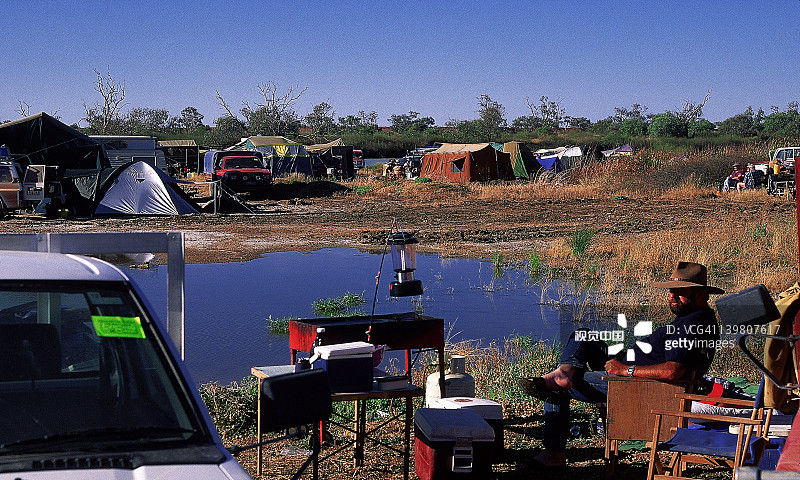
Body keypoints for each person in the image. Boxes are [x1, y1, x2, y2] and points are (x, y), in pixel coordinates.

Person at [518, 261, 724, 468]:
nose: (671, 296)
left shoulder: (690, 325)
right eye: (671, 291)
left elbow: (673, 371)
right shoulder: (702, 319)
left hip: (637, 386)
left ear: (700, 294)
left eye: (680, 292)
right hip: (630, 374)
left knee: (555, 390)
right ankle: (565, 371)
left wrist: (626, 370)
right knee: (584, 336)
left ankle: (554, 453)